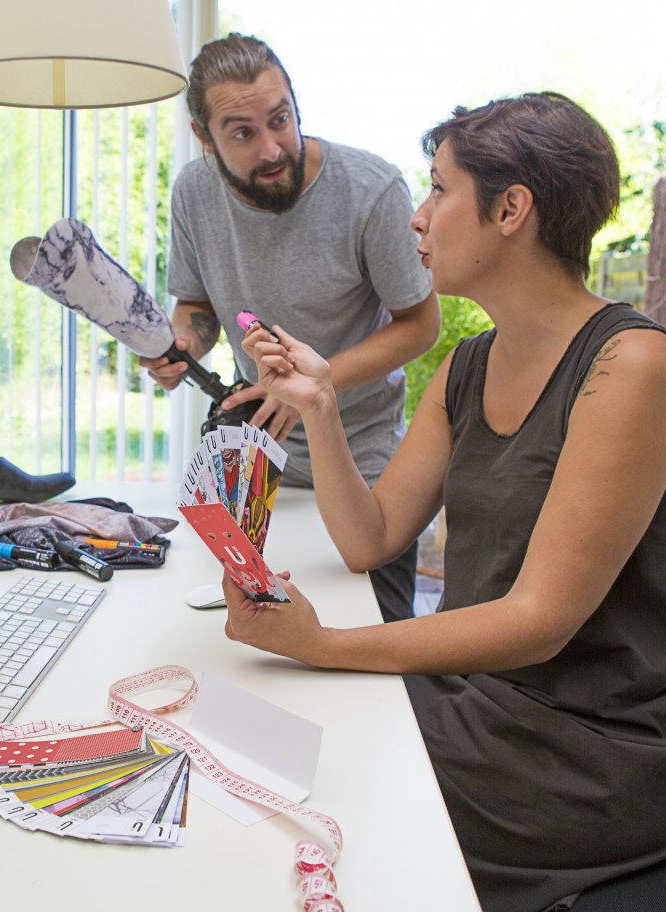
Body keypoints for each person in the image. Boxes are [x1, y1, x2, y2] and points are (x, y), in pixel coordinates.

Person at [225, 92, 666, 912]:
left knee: (300, 802)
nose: (418, 219)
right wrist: (318, 403)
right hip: (487, 700)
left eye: (437, 190)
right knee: (272, 740)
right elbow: (372, 539)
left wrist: (322, 642)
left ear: (510, 209)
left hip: (604, 745)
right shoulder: (469, 366)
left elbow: (540, 621)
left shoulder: (631, 368)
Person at [140, 34, 440, 622]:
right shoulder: (193, 194)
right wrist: (182, 346)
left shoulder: (371, 190)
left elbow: (420, 326)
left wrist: (310, 389)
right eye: (243, 132)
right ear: (205, 138)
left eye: (281, 119)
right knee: (242, 648)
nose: (273, 146)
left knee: (372, 661)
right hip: (251, 468)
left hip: (362, 470)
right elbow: (194, 305)